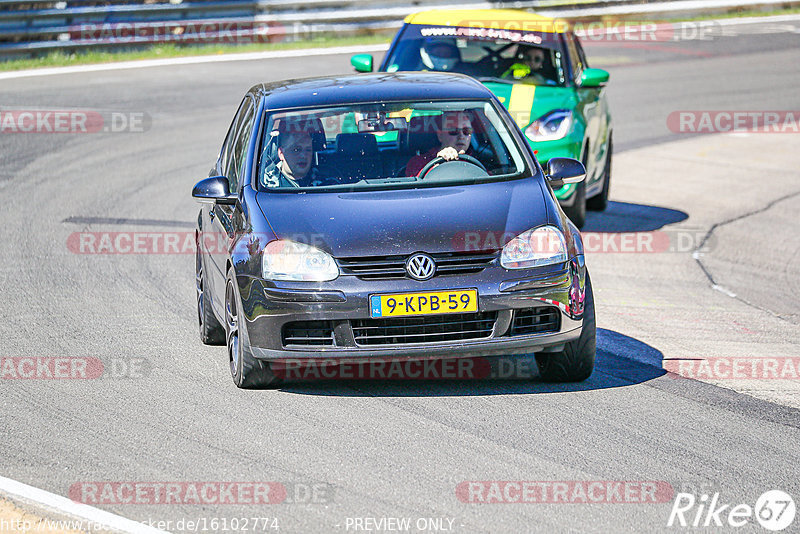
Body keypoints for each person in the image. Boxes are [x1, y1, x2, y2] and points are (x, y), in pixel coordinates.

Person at [262, 119, 340, 188]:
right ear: (281, 153)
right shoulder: (266, 184)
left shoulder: (327, 183)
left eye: (308, 150)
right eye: (296, 150)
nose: (303, 155)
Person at [405, 111, 474, 177]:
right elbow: (417, 185)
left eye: (466, 131)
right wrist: (439, 164)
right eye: (453, 131)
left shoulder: (480, 158)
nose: (461, 136)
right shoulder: (418, 162)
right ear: (440, 135)